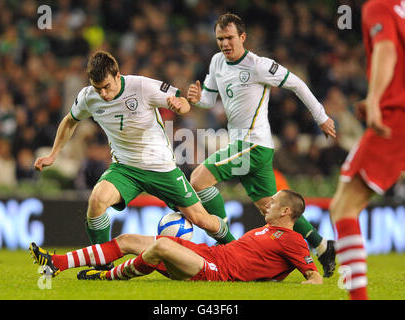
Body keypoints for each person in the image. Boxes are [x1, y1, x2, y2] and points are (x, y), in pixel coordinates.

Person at [33, 51, 233, 268]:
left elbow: (182, 101)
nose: (104, 94)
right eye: (98, 88)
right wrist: (53, 155)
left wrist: (180, 106)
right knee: (97, 201)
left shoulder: (141, 86)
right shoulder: (88, 97)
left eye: (107, 86)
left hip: (161, 167)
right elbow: (69, 121)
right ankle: (102, 267)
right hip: (125, 168)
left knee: (202, 219)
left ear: (118, 76)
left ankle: (235, 249)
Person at [187, 13, 337, 276]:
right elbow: (209, 100)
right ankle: (323, 246)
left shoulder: (259, 65)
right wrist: (198, 99)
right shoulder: (216, 62)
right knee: (273, 210)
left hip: (253, 145)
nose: (225, 43)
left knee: (199, 178)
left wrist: (321, 117)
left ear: (242, 37)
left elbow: (298, 85)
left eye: (230, 38)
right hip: (245, 147)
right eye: (220, 39)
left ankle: (228, 245)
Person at [29, 189, 323, 285]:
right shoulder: (265, 230)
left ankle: (107, 277)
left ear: (286, 211)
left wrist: (305, 284)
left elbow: (314, 276)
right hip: (208, 255)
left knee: (161, 246)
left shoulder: (293, 239)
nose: (267, 204)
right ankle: (56, 262)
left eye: (272, 203)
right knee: (130, 238)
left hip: (215, 271)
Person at [329, 0, 405, 300]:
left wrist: (376, 99)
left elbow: (387, 50)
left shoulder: (379, 6)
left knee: (343, 207)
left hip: (396, 118)